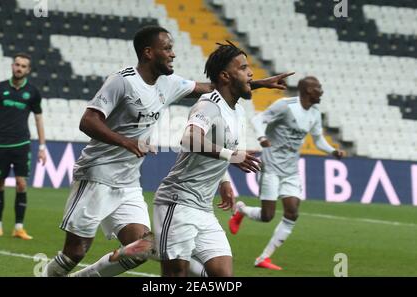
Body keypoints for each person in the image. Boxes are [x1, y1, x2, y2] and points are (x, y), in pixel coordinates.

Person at [43, 26, 293, 277]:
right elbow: (87, 121)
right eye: (168, 48)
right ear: (149, 53)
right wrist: (125, 142)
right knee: (75, 251)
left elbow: (214, 86)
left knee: (142, 248)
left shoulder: (169, 83)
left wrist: (256, 83)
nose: (173, 54)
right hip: (96, 175)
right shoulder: (122, 81)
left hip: (128, 182)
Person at [153, 41, 289, 277]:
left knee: (223, 277)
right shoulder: (208, 105)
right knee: (175, 275)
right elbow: (190, 139)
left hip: (204, 208)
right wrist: (232, 156)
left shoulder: (236, 110)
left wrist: (224, 181)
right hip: (178, 203)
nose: (250, 73)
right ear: (226, 76)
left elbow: (218, 145)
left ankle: (155, 248)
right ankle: (154, 248)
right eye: (244, 68)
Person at [229, 76, 345, 270]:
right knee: (268, 216)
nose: (322, 92)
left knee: (292, 212)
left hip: (291, 170)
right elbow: (258, 119)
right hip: (271, 167)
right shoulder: (285, 105)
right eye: (318, 88)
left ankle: (263, 258)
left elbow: (317, 140)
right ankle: (241, 210)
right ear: (308, 91)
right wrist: (262, 137)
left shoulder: (315, 113)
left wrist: (332, 150)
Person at [0, 52, 47, 240]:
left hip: (22, 144)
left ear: (28, 70)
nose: (19, 68)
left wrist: (42, 147)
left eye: (23, 66)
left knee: (21, 183)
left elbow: (39, 119)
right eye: (17, 64)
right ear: (12, 66)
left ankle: (18, 227)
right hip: (0, 144)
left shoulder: (33, 92)